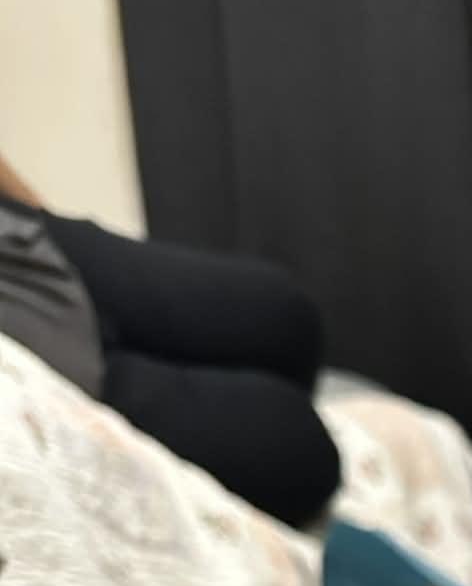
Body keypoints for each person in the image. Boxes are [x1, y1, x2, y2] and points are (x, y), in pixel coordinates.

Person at [0, 147, 340, 527]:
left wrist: (42, 218)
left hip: (20, 245)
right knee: (295, 450)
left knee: (287, 317)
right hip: (24, 355)